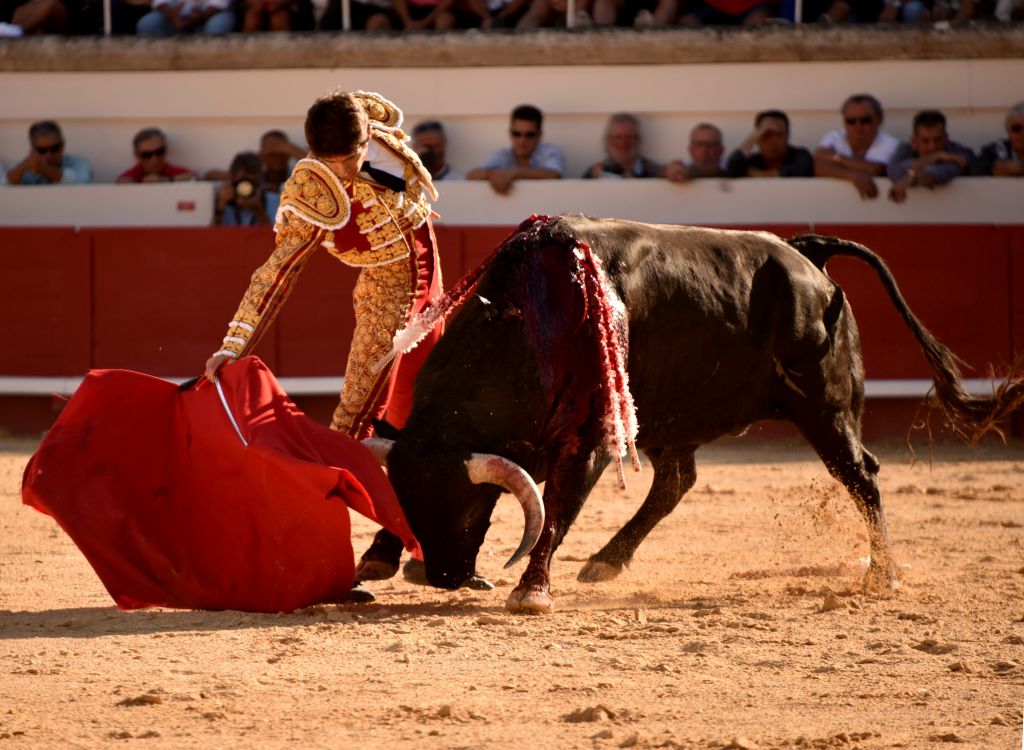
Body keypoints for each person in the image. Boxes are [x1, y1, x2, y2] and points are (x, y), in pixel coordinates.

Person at [203, 90, 442, 445]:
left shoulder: (371, 123)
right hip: (385, 292)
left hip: (430, 271)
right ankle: (334, 496)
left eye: (351, 157)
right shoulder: (311, 190)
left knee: (426, 395)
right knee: (355, 419)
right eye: (334, 162)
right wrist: (233, 346)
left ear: (366, 136)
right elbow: (278, 272)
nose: (345, 171)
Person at [814, 93, 900, 199]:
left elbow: (875, 169)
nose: (858, 126)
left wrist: (835, 158)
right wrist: (853, 175)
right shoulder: (833, 137)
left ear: (879, 120)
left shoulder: (891, 144)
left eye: (865, 120)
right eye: (851, 121)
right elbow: (818, 167)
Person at [467, 104, 565, 195]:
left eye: (529, 135)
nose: (522, 140)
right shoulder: (502, 154)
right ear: (510, 133)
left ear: (539, 135)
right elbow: (472, 176)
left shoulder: (551, 152)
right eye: (517, 134)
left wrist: (514, 173)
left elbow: (554, 175)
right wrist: (492, 175)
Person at [887, 109, 975, 204]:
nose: (932, 146)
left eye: (937, 140)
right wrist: (936, 156)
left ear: (946, 138)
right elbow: (894, 171)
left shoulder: (958, 153)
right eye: (925, 141)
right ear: (914, 141)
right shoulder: (906, 149)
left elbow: (937, 174)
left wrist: (909, 177)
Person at [726, 109, 813, 178]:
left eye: (779, 134)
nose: (773, 140)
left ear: (787, 136)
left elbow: (803, 169)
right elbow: (732, 169)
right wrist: (752, 138)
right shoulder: (753, 161)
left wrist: (761, 175)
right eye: (766, 134)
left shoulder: (800, 155)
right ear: (758, 138)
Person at [5, 120, 93, 185]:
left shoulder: (78, 163)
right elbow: (4, 189)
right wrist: (22, 168)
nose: (48, 155)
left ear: (62, 145)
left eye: (54, 148)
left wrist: (45, 169)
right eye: (42, 150)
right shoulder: (24, 167)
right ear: (33, 149)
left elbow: (82, 182)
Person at [582, 113, 662, 179]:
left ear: (637, 139)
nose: (623, 142)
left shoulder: (653, 170)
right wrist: (594, 180)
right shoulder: (595, 172)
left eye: (629, 137)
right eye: (618, 137)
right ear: (608, 140)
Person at [214, 152, 281, 226]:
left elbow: (276, 236)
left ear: (259, 180)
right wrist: (220, 207)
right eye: (242, 181)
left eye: (251, 182)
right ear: (232, 179)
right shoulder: (224, 200)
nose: (246, 188)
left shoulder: (273, 200)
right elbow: (210, 235)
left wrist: (258, 209)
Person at [116, 128, 198, 184]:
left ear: (166, 150)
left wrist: (165, 180)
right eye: (147, 155)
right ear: (136, 155)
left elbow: (193, 177)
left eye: (159, 152)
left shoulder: (173, 172)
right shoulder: (130, 176)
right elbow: (122, 182)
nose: (154, 159)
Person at [661, 122, 727, 182]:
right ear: (690, 150)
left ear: (721, 150)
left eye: (710, 144)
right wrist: (669, 171)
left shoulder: (732, 168)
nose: (704, 149)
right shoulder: (681, 167)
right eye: (699, 144)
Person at [974, 102, 1024, 177]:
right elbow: (975, 168)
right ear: (1008, 130)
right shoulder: (995, 150)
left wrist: (1020, 168)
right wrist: (994, 168)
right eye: (1016, 128)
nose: (1022, 134)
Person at [136, 0, 235, 35]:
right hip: (177, 17)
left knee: (217, 26)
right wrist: (172, 14)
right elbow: (160, 2)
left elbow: (220, 4)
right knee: (148, 24)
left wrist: (201, 16)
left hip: (210, 15)